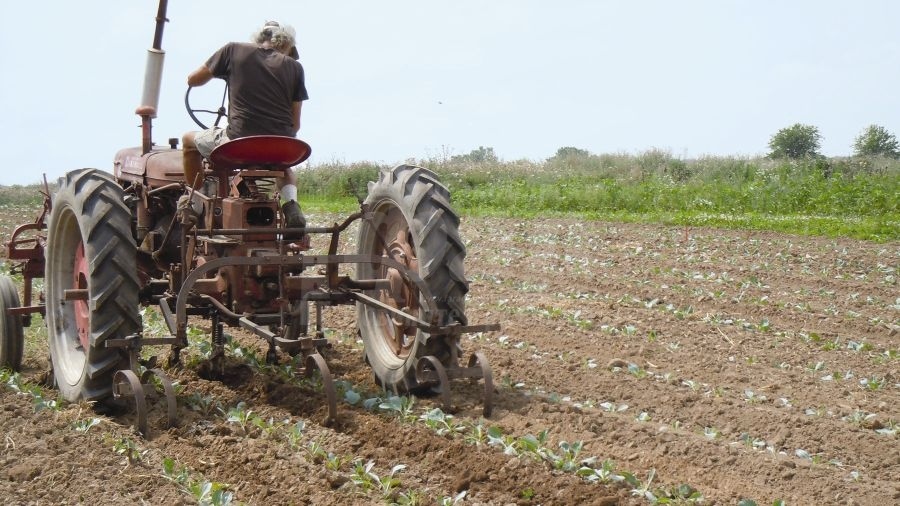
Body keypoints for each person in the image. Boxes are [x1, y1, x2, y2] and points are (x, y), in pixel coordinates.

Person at [180, 20, 309, 241]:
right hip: (282, 145)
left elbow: (192, 79)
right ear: (286, 45)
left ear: (258, 38)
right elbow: (295, 124)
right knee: (283, 166)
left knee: (188, 141)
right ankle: (291, 206)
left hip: (239, 142)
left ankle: (195, 203)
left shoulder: (233, 50)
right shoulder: (295, 67)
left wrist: (222, 71)